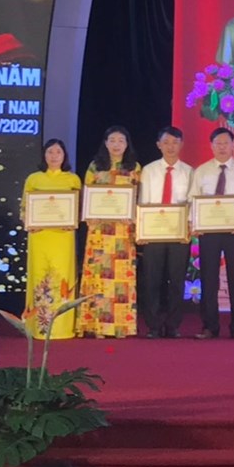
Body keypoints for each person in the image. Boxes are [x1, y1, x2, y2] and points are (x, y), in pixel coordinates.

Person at [77, 126, 140, 339]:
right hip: (99, 231)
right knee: (99, 277)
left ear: (127, 144)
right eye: (112, 140)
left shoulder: (134, 167)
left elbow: (139, 196)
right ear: (105, 143)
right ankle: (95, 325)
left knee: (121, 280)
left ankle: (121, 326)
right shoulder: (95, 166)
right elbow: (86, 195)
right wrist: (89, 215)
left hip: (122, 231)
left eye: (121, 140)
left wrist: (133, 215)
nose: (116, 145)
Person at [191, 127, 234, 339]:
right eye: (218, 143)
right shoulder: (201, 171)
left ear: (233, 145)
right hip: (209, 232)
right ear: (211, 146)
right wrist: (194, 224)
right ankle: (210, 326)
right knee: (208, 278)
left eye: (226, 143)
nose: (222, 147)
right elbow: (193, 198)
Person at [22, 139, 82, 340]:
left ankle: (61, 327)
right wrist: (29, 222)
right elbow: (24, 208)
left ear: (64, 155)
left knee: (61, 278)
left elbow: (78, 208)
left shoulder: (72, 179)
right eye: (50, 152)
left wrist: (72, 221)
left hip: (63, 237)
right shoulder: (33, 179)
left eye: (58, 152)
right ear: (44, 155)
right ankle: (38, 327)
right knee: (40, 276)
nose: (54, 156)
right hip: (39, 236)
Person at [138, 126, 193, 339]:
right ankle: (153, 325)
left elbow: (192, 203)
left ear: (181, 145)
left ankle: (173, 325)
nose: (171, 147)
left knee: (177, 281)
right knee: (152, 280)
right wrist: (142, 230)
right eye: (166, 142)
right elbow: (143, 201)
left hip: (179, 234)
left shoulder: (190, 172)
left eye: (175, 142)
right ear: (158, 145)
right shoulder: (148, 170)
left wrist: (189, 227)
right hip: (153, 233)